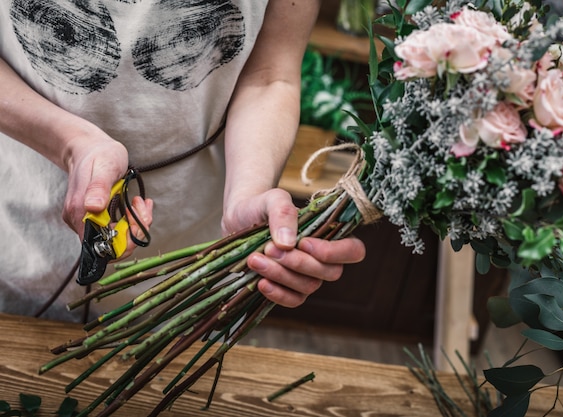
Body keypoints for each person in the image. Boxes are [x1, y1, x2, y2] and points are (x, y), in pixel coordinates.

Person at [0, 0, 366, 322]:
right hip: (20, 241)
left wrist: (248, 190)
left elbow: (271, 76)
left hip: (191, 273)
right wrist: (71, 144)